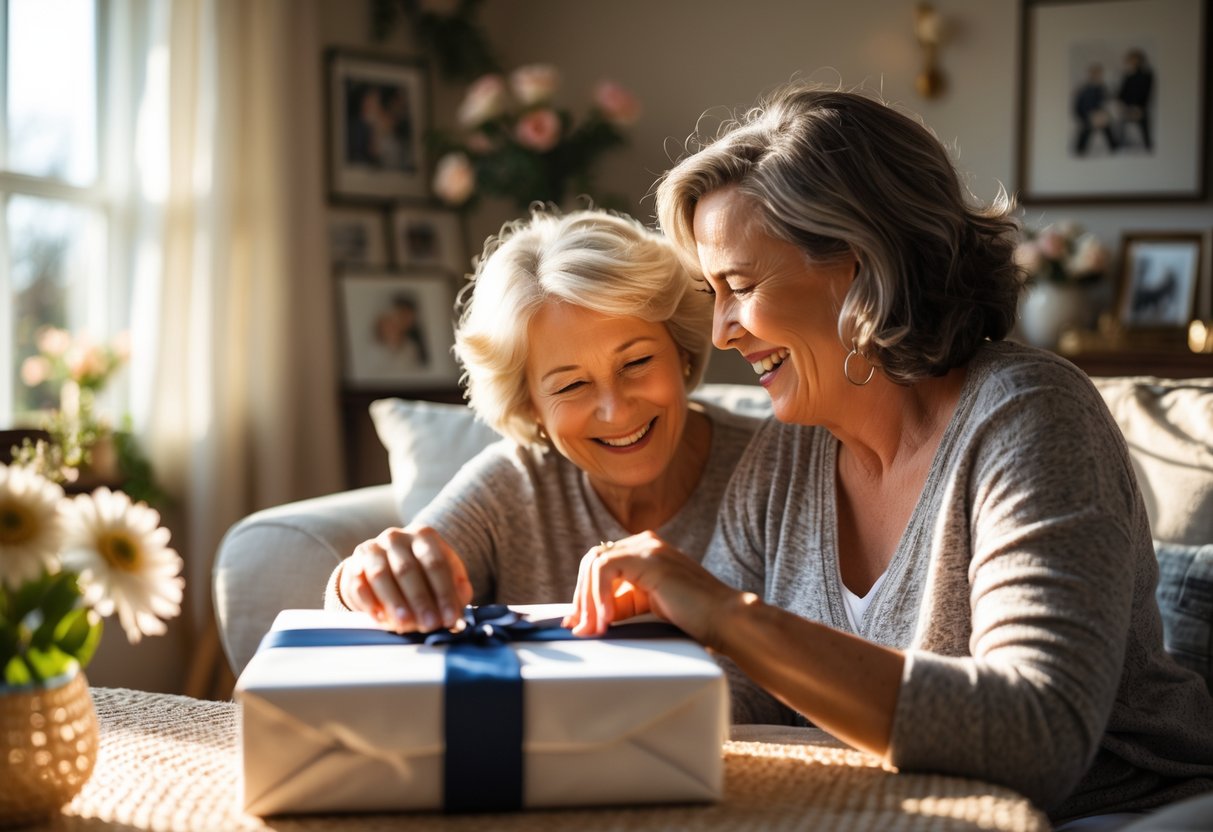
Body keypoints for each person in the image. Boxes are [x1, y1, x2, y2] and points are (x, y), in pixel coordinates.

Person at [564, 83, 1213, 826]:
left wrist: (729, 616)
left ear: (860, 265)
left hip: (1108, 814)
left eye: (738, 287)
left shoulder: (1028, 414)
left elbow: (1038, 736)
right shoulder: (785, 458)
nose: (721, 332)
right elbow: (726, 689)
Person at [324, 207, 761, 633]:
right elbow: (361, 606)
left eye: (637, 362)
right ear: (530, 405)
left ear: (682, 352)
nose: (616, 409)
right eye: (571, 386)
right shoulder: (510, 487)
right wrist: (363, 579)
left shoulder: (773, 464)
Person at [1073, 63, 1118, 156]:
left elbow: (1106, 100)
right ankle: (1080, 151)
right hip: (1088, 115)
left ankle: (1114, 148)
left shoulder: (1101, 87)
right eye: (1095, 73)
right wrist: (1087, 116)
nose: (1097, 75)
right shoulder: (1085, 88)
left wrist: (1102, 113)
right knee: (1085, 133)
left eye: (1099, 74)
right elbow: (1080, 105)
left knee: (1107, 129)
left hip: (1099, 115)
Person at [1116, 48, 1154, 152]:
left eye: (1133, 60)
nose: (1131, 62)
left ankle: (1148, 146)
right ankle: (1119, 145)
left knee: (1145, 129)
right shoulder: (1127, 76)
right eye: (1130, 60)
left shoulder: (1147, 75)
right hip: (1128, 108)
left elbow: (1147, 94)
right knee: (1120, 125)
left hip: (1140, 108)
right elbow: (1121, 94)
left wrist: (1139, 108)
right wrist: (1123, 106)